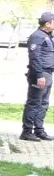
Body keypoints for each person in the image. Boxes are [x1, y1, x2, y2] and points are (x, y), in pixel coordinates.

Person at [22, 11, 54, 141]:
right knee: (34, 102)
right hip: (39, 74)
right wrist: (40, 75)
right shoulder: (37, 37)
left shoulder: (48, 36)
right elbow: (34, 57)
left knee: (43, 103)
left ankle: (39, 130)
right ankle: (27, 131)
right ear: (47, 23)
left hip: (48, 73)